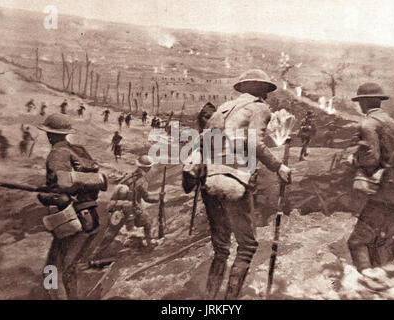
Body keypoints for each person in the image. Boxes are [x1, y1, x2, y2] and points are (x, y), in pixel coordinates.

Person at [182, 69, 291, 300]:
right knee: (247, 247)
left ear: (242, 88)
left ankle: (210, 301)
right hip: (235, 180)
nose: (267, 96)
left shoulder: (222, 108)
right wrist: (278, 166)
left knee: (221, 250)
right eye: (266, 91)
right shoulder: (260, 108)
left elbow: (204, 142)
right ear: (262, 90)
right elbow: (255, 144)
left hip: (210, 179)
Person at [36, 113, 106, 299]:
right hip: (90, 216)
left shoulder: (57, 154)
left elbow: (62, 190)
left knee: (53, 270)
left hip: (72, 219)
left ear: (50, 134)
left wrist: (44, 196)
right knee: (68, 268)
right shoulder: (80, 151)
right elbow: (87, 184)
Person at [346, 83, 394, 272]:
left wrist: (354, 159)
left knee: (357, 241)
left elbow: (370, 159)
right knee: (386, 244)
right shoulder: (393, 123)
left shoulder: (368, 124)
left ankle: (369, 285)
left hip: (388, 192)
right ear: (379, 101)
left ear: (362, 102)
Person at [91, 155, 160, 259]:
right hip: (133, 210)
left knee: (110, 233)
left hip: (120, 208)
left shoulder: (127, 176)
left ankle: (95, 254)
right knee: (147, 222)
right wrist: (159, 197)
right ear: (147, 168)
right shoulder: (142, 181)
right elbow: (147, 198)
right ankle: (149, 245)